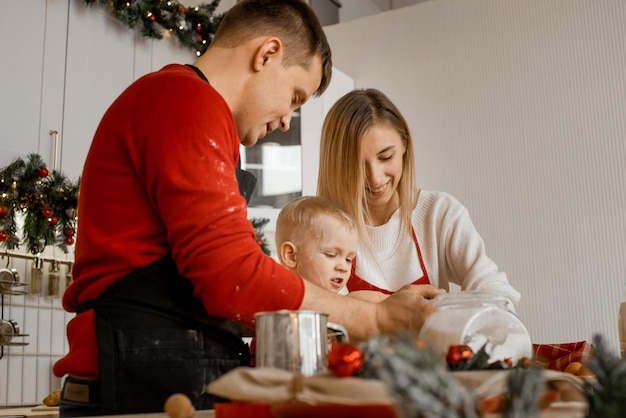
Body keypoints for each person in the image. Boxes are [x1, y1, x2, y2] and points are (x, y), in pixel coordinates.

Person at [54, 2, 440, 417]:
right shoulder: (185, 100)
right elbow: (231, 277)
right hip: (132, 384)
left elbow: (209, 282)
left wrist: (367, 309)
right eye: (295, 96)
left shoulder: (193, 110)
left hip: (153, 373)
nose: (288, 120)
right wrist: (375, 322)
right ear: (267, 54)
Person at [317, 88, 521, 308]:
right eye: (357, 165)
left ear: (404, 145)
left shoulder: (439, 213)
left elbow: (494, 289)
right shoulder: (321, 229)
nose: (375, 178)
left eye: (386, 157)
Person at [275, 195, 386, 302]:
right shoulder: (278, 299)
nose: (344, 268)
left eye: (348, 259)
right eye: (331, 254)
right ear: (292, 256)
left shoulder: (345, 298)